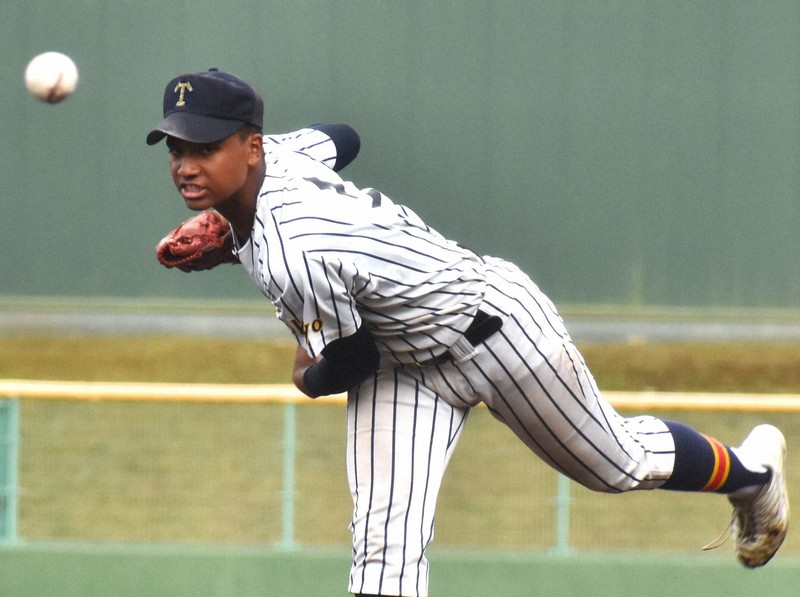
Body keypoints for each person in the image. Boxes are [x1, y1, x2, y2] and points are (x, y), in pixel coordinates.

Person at [148, 68, 789, 597]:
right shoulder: (281, 157)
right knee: (382, 550)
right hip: (404, 366)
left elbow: (348, 361)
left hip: (493, 328)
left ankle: (752, 476)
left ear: (250, 147)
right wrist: (232, 233)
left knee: (618, 465)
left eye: (206, 147)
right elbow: (342, 137)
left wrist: (303, 377)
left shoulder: (296, 247)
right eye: (177, 147)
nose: (186, 164)